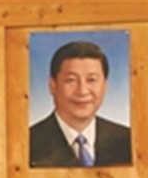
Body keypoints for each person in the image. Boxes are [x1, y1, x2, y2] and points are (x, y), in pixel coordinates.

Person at [29, 40, 132, 168]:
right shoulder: (28, 142)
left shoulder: (127, 140)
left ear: (105, 86)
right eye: (71, 80)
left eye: (91, 80)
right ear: (52, 85)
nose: (82, 91)